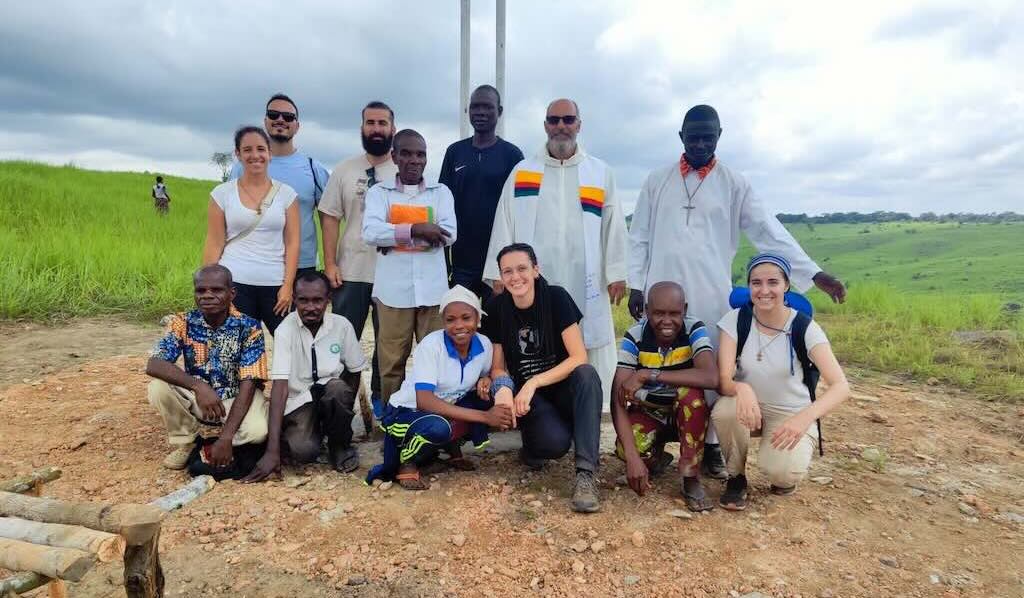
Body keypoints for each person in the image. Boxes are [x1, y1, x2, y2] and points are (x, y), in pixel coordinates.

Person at [627, 104, 847, 479]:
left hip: (710, 292)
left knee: (711, 366)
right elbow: (639, 236)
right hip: (661, 294)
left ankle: (711, 443)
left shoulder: (734, 183)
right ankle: (663, 440)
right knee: (658, 362)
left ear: (719, 136)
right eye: (692, 136)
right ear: (681, 137)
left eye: (707, 137)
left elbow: (768, 229)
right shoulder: (657, 180)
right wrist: (636, 285)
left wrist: (814, 273)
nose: (699, 143)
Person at [484, 99, 627, 401]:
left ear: (579, 124)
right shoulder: (524, 171)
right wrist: (498, 275)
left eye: (568, 119)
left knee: (588, 336)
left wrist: (616, 271)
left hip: (584, 271)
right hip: (537, 276)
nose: (561, 126)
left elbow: (613, 225)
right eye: (554, 120)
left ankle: (593, 404)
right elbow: (504, 219)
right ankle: (542, 403)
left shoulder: (600, 172)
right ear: (546, 125)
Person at [712, 253, 850, 510]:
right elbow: (723, 380)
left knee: (781, 472)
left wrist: (804, 418)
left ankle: (782, 469)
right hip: (748, 408)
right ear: (749, 286)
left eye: (773, 282)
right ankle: (736, 477)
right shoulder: (736, 320)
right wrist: (741, 387)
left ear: (786, 285)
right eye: (756, 283)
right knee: (724, 410)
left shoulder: (804, 327)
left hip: (790, 412)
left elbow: (841, 386)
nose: (764, 290)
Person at [481, 243, 604, 513]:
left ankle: (585, 475)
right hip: (531, 400)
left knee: (587, 375)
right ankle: (534, 447)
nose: (516, 277)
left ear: (536, 270)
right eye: (508, 271)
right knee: (553, 444)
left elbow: (578, 357)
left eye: (522, 268)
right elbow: (498, 366)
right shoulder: (497, 308)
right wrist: (503, 391)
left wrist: (533, 382)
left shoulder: (556, 298)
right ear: (501, 277)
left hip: (557, 387)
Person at [366, 285, 514, 490]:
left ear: (478, 320)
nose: (459, 325)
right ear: (443, 322)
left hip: (445, 407)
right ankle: (405, 460)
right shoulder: (431, 346)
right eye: (450, 320)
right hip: (408, 411)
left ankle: (450, 449)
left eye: (466, 318)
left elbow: (487, 373)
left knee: (486, 397)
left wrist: (486, 379)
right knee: (438, 427)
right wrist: (486, 418)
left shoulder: (484, 345)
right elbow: (424, 400)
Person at [243, 271, 368, 481]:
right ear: (294, 300)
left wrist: (343, 415)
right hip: (300, 401)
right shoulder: (285, 330)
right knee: (303, 452)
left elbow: (354, 370)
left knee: (338, 388)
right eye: (303, 300)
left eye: (318, 300)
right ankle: (307, 433)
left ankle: (338, 445)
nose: (311, 307)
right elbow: (280, 386)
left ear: (328, 300)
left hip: (331, 393)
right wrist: (271, 451)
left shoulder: (342, 325)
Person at [362, 129, 456, 404]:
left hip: (433, 293)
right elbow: (371, 233)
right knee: (391, 365)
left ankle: (436, 422)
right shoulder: (380, 193)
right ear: (394, 156)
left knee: (437, 362)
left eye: (420, 154)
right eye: (407, 153)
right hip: (393, 293)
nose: (414, 160)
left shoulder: (441, 193)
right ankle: (393, 425)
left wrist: (395, 235)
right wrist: (419, 229)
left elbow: (449, 234)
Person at [146, 265, 269, 470]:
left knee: (257, 433)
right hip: (200, 398)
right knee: (158, 387)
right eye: (201, 290)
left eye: (216, 290)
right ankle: (186, 441)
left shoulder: (249, 327)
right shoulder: (183, 322)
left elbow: (249, 382)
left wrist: (226, 437)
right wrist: (198, 386)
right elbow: (154, 363)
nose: (207, 296)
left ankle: (223, 441)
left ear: (232, 293)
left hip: (236, 397)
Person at [319, 101, 399, 417]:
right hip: (349, 271)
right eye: (370, 123)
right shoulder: (344, 170)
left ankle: (383, 407)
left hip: (390, 273)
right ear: (362, 127)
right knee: (342, 342)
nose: (376, 129)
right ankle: (341, 406)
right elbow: (329, 218)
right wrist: (330, 264)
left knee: (388, 345)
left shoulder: (404, 170)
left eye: (382, 123)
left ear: (393, 128)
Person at [611, 281, 719, 510]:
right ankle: (655, 459)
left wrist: (648, 374)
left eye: (674, 313)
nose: (666, 321)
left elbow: (710, 377)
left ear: (685, 310)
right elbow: (618, 397)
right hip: (650, 412)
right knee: (626, 446)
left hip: (687, 416)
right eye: (658, 313)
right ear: (647, 310)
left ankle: (691, 477)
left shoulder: (693, 329)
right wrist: (632, 458)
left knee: (692, 398)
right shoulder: (635, 336)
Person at [203, 126, 299, 335]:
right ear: (238, 154)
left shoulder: (287, 194)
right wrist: (209, 287)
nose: (255, 156)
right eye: (247, 150)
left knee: (290, 346)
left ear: (270, 153)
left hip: (275, 282)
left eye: (261, 149)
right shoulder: (222, 194)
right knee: (240, 346)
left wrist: (288, 286)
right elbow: (215, 241)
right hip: (235, 282)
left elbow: (292, 243)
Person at [230, 93, 330, 275]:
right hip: (250, 264)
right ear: (265, 121)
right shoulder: (242, 167)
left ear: (297, 126)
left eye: (289, 117)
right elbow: (227, 219)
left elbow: (328, 222)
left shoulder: (314, 169)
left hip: (302, 265)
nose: (281, 120)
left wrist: (330, 264)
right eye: (274, 115)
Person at [440, 85, 524, 300]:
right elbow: (443, 205)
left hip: (498, 263)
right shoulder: (455, 152)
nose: (480, 112)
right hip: (461, 263)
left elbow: (520, 210)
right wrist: (444, 261)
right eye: (475, 106)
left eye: (487, 107)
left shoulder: (512, 155)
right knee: (462, 326)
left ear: (500, 111)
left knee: (498, 327)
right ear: (468, 110)